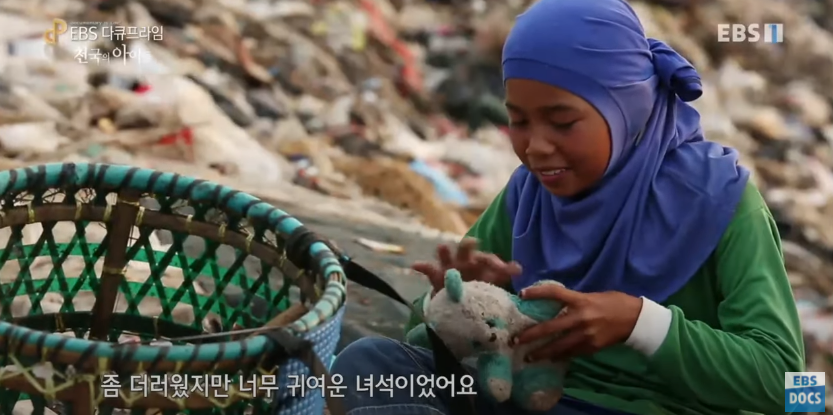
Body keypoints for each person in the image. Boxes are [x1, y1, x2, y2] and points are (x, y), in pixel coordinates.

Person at [330, 0, 805, 413]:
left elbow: (792, 388)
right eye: (517, 121)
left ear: (626, 108)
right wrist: (451, 301)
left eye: (562, 122)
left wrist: (640, 323)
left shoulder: (719, 201)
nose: (536, 147)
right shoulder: (530, 195)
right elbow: (439, 340)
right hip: (531, 398)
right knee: (371, 364)